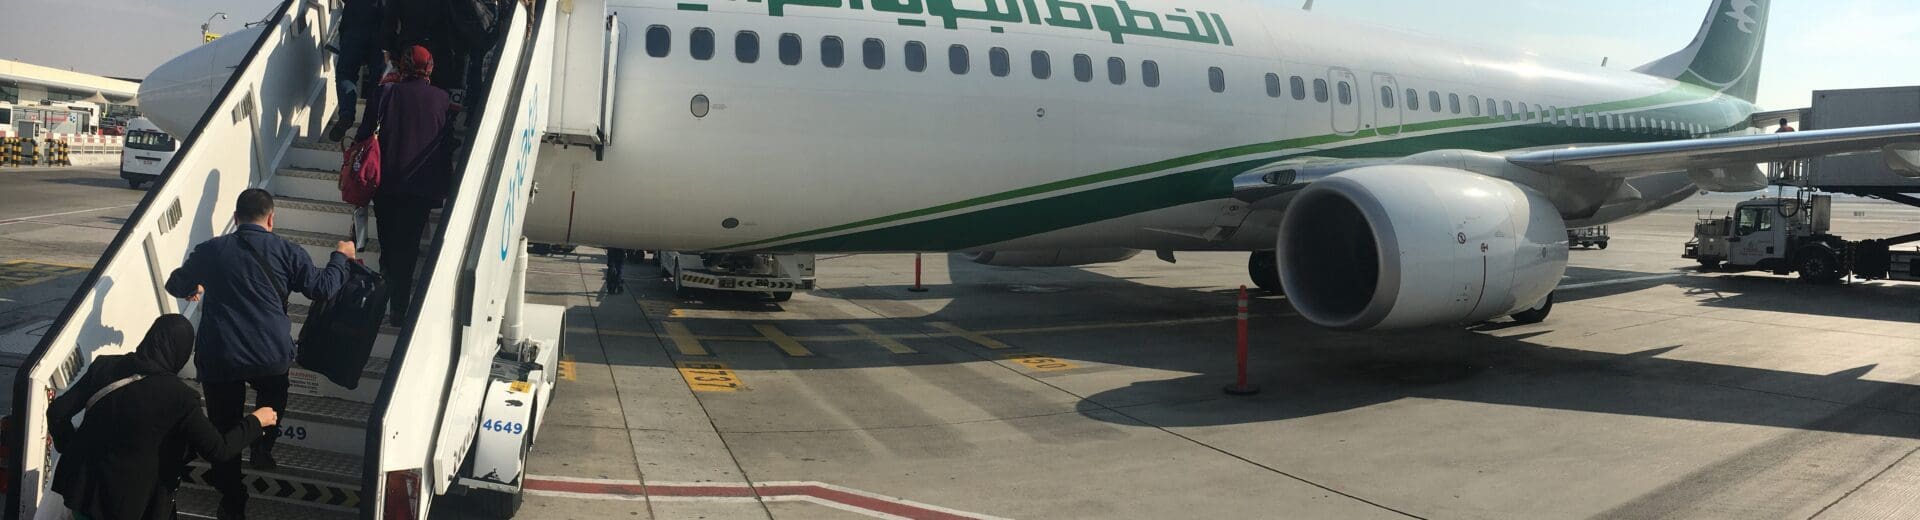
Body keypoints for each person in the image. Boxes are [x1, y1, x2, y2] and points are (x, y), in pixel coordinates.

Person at [163, 189, 353, 519]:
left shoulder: (211, 250)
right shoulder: (287, 251)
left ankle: (232, 499)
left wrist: (194, 287)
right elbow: (321, 288)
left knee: (223, 432)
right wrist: (341, 258)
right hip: (269, 354)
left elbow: (175, 284)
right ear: (271, 219)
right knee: (273, 397)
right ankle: (263, 444)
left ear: (236, 219)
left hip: (221, 356)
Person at [48, 315, 280, 520]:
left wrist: (71, 447)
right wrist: (256, 421)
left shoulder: (105, 366)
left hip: (83, 494)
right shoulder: (180, 397)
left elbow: (57, 412)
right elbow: (219, 450)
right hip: (132, 507)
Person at [357, 45, 455, 325]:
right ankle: (399, 306)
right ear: (430, 68)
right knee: (409, 245)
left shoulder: (385, 93)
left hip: (385, 183)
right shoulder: (441, 99)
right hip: (421, 187)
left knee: (388, 244)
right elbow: (445, 146)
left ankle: (383, 297)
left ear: (402, 67)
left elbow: (364, 135)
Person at [327, 0, 388, 142]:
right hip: (381, 28)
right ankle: (371, 122)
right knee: (377, 81)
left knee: (346, 74)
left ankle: (346, 115)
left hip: (355, 23)